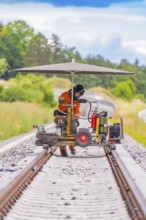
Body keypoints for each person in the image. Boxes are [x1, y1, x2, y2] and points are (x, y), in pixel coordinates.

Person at [56, 84, 85, 157]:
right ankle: (63, 150)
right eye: (78, 94)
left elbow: (77, 111)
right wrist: (61, 100)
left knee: (73, 129)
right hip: (61, 115)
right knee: (61, 131)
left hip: (70, 116)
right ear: (74, 91)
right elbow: (60, 98)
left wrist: (77, 118)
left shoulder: (77, 101)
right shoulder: (66, 94)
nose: (78, 96)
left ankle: (72, 147)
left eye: (79, 95)